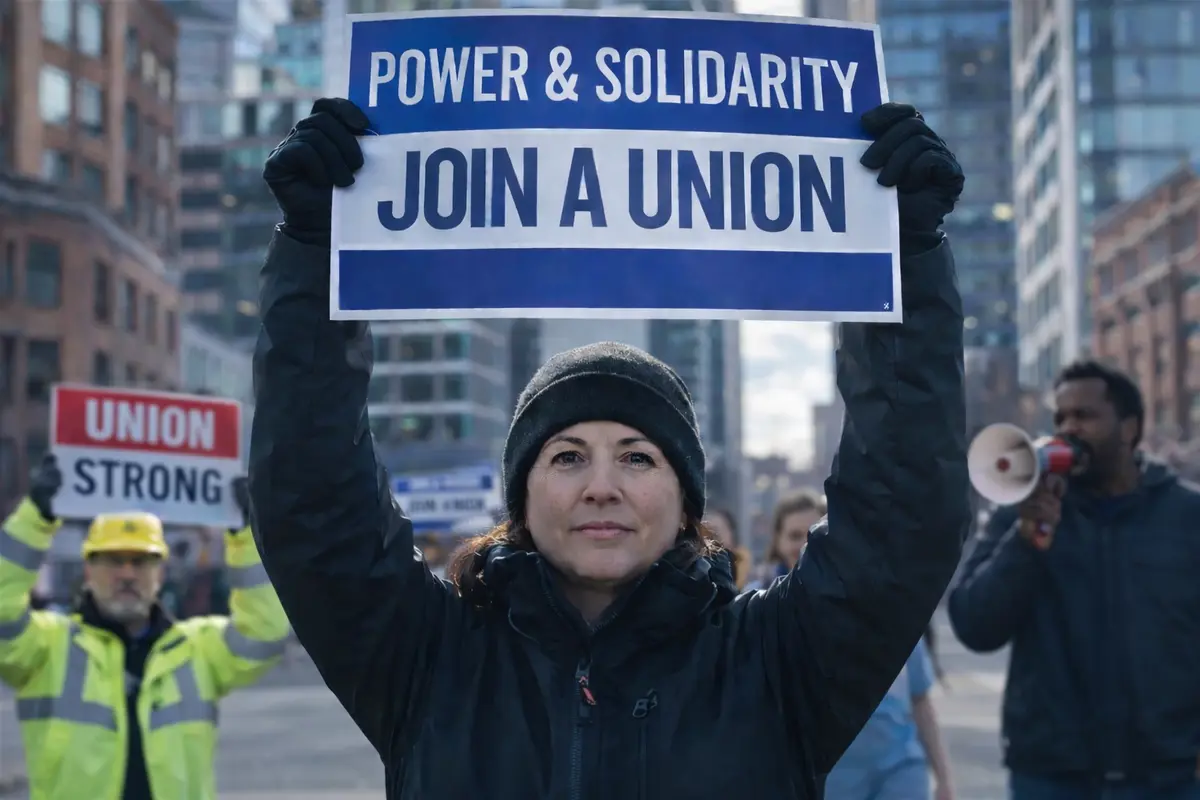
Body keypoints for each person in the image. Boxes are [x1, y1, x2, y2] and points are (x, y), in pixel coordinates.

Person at [250, 98, 970, 798]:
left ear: (686, 499)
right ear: (522, 498)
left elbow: (899, 518)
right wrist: (314, 255)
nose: (602, 486)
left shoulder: (778, 662)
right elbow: (316, 509)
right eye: (566, 456)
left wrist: (902, 260)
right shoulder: (428, 658)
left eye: (637, 457)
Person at [948, 360, 1200, 799]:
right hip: (1051, 776)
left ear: (1129, 428)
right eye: (1060, 417)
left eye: (1084, 416)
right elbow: (974, 624)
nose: (1068, 428)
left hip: (1165, 775)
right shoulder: (1021, 512)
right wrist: (1026, 541)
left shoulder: (1186, 515)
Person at [0, 456, 291, 799]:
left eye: (140, 562)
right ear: (89, 571)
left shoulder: (196, 649)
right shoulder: (47, 647)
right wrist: (34, 521)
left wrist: (245, 538)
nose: (126, 574)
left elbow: (266, 634)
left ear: (160, 573)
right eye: (112, 561)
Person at [825, 637, 955, 800]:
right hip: (837, 775)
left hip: (900, 764)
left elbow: (921, 703)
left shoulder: (902, 622)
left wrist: (944, 779)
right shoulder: (814, 622)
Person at [744, 489, 826, 591]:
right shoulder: (756, 598)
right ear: (778, 540)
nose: (805, 544)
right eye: (795, 536)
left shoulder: (847, 594)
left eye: (813, 534)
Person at [702, 508, 752, 589]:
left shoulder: (742, 564)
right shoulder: (700, 566)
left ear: (731, 533)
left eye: (716, 531)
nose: (712, 536)